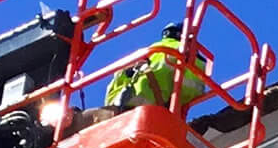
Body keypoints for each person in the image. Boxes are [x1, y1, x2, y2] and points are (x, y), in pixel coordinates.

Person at [63, 23, 208, 136]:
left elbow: (115, 85)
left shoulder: (145, 53)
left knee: (73, 125)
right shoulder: (191, 59)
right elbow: (191, 93)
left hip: (127, 112)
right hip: (152, 117)